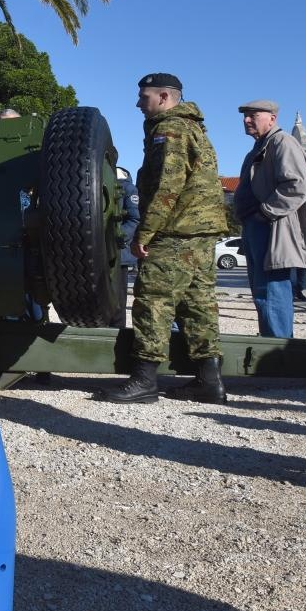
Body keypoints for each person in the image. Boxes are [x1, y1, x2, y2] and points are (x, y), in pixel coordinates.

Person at [104, 74, 227, 404]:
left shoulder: (169, 128)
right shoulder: (193, 125)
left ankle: (145, 380)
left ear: (163, 97)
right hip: (200, 232)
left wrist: (145, 232)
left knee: (153, 302)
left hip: (175, 232)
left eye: (144, 97)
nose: (138, 104)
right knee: (199, 306)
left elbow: (166, 187)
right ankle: (209, 380)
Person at [230, 100, 306, 338]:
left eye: (253, 115)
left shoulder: (282, 142)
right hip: (258, 226)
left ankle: (278, 350)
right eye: (245, 116)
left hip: (272, 228)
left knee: (272, 291)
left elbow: (297, 185)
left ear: (272, 118)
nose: (246, 120)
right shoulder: (261, 146)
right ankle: (273, 345)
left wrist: (265, 212)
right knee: (263, 292)